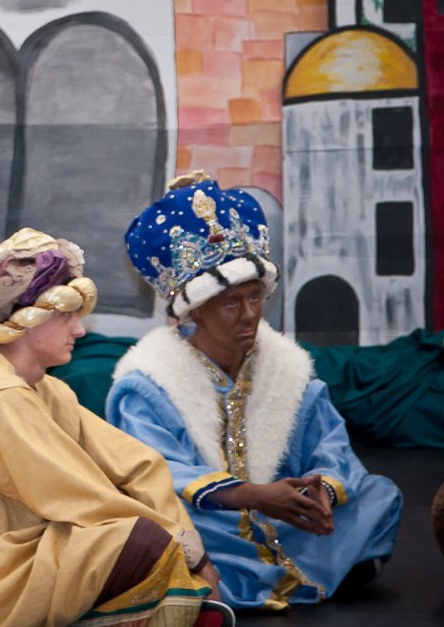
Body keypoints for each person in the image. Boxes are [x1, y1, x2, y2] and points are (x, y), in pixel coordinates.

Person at [107, 172, 402, 612]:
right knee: (167, 532)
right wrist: (249, 496)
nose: (249, 314)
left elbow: (330, 444)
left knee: (379, 495)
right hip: (211, 520)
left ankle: (233, 584)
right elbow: (157, 473)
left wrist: (320, 492)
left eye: (254, 297)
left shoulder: (289, 371)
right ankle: (311, 570)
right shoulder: (147, 385)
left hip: (283, 514)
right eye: (231, 302)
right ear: (196, 310)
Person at [0, 228, 229, 627]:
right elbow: (80, 496)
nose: (79, 330)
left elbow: (139, 465)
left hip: (22, 557)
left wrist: (189, 544)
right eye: (66, 316)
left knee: (147, 537)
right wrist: (188, 553)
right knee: (140, 541)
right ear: (29, 320)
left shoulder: (48, 390)